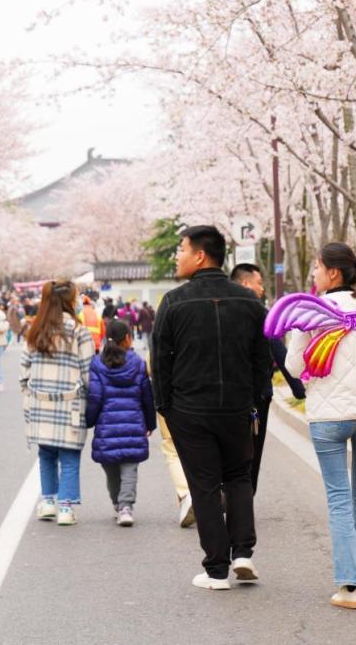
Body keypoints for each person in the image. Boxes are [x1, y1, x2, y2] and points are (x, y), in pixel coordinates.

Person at [151, 226, 271, 590]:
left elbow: (161, 362)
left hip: (190, 409)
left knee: (203, 485)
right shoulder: (250, 303)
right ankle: (244, 553)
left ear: (200, 255)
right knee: (238, 477)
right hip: (236, 406)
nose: (177, 256)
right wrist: (253, 401)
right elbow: (261, 360)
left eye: (181, 249)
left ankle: (217, 569)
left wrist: (165, 407)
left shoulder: (173, 302)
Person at [285, 243, 356, 610]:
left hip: (329, 417)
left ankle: (350, 589)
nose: (313, 275)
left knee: (338, 499)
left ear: (333, 273)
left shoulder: (313, 313)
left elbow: (294, 364)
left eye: (316, 268)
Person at [21, 280, 95, 526]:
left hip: (40, 402)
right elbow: (88, 372)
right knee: (70, 457)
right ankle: (66, 507)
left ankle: (48, 503)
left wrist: (29, 396)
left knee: (46, 455)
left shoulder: (35, 330)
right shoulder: (79, 331)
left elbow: (24, 370)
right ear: (68, 301)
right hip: (70, 403)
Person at [229, 262, 304, 494]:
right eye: (259, 283)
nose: (262, 289)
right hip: (257, 396)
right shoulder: (261, 313)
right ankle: (245, 495)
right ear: (245, 283)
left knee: (228, 449)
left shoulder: (219, 311)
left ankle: (228, 492)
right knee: (253, 450)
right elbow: (279, 352)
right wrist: (299, 389)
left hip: (224, 396)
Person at [86, 320, 155, 526]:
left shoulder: (97, 365)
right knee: (129, 469)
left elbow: (94, 398)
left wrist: (89, 421)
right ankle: (126, 507)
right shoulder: (137, 364)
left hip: (106, 429)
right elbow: (147, 397)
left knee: (111, 470)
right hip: (133, 426)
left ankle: (118, 503)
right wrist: (150, 423)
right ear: (127, 338)